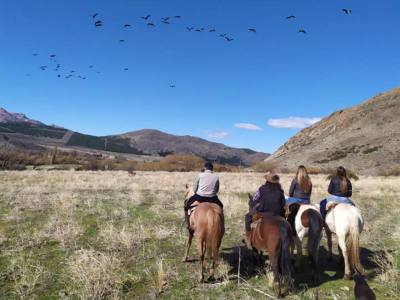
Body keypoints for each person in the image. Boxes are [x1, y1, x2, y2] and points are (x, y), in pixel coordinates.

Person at [243, 171, 286, 248]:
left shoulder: (262, 189)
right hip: (278, 214)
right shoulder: (280, 191)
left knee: (247, 217)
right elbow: (283, 204)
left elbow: (254, 199)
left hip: (264, 214)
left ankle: (248, 237)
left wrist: (254, 205)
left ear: (267, 180)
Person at [184, 162, 223, 227]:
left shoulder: (200, 175)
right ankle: (220, 223)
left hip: (200, 197)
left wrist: (196, 192)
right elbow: (217, 189)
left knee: (187, 205)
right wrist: (212, 193)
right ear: (212, 169)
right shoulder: (216, 176)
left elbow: (194, 188)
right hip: (212, 198)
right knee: (221, 206)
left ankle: (188, 223)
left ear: (205, 168)